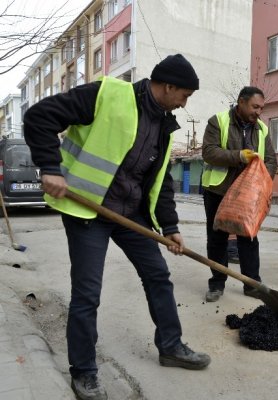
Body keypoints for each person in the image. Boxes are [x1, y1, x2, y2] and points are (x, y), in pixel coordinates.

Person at [23, 54, 210, 400]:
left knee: (158, 275)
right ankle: (84, 371)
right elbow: (38, 116)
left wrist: (169, 226)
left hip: (130, 215)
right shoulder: (107, 95)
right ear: (168, 86)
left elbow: (161, 181)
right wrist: (49, 167)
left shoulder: (164, 125)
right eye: (184, 95)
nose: (184, 104)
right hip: (88, 211)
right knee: (87, 293)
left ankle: (170, 345)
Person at [201, 86, 277, 302]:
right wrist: (239, 157)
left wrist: (263, 178)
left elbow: (270, 160)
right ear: (241, 102)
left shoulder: (261, 129)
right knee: (217, 239)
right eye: (255, 106)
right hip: (219, 191)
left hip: (248, 196)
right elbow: (209, 152)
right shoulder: (218, 121)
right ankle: (217, 284)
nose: (258, 112)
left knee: (249, 238)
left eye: (261, 108)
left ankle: (252, 284)